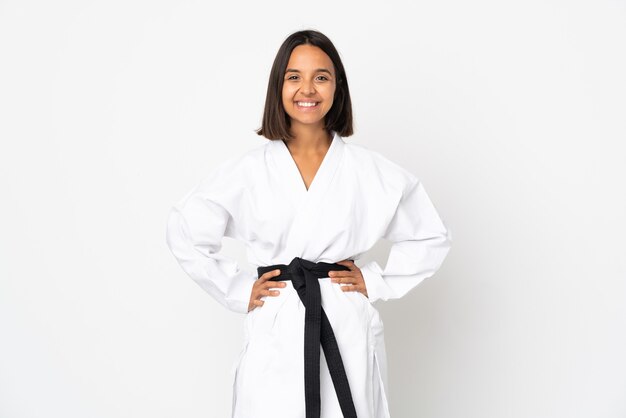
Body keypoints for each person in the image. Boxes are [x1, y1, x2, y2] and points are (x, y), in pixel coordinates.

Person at [166, 29, 452, 418]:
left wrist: (376, 280)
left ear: (337, 87)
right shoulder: (249, 171)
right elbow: (186, 228)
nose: (308, 89)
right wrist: (236, 289)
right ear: (278, 87)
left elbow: (429, 235)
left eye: (321, 77)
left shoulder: (368, 171)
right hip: (277, 322)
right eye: (294, 76)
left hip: (343, 323)